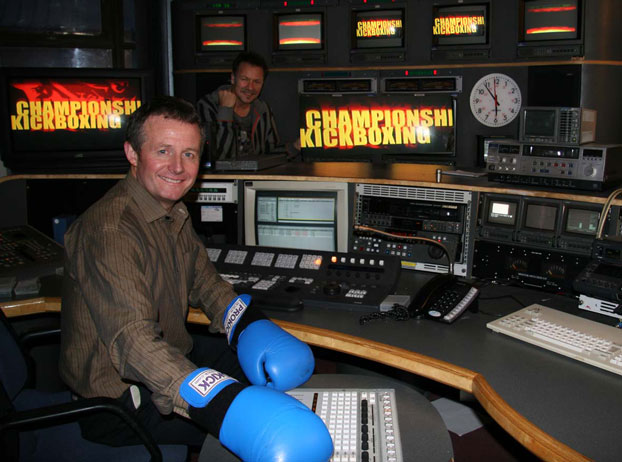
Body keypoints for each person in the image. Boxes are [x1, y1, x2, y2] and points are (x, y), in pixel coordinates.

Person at [59, 95, 332, 461]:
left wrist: (249, 323)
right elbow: (133, 343)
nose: (177, 167)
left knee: (279, 377)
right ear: (132, 153)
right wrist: (219, 406)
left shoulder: (170, 210)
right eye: (163, 151)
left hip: (172, 350)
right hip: (120, 401)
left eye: (188, 154)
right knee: (240, 434)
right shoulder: (109, 231)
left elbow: (206, 283)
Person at [197, 51, 281, 160]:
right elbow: (217, 158)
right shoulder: (208, 106)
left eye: (256, 81)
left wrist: (295, 147)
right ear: (233, 78)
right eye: (244, 79)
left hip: (254, 176)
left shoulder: (262, 109)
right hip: (221, 177)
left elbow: (271, 154)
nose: (250, 87)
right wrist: (225, 111)